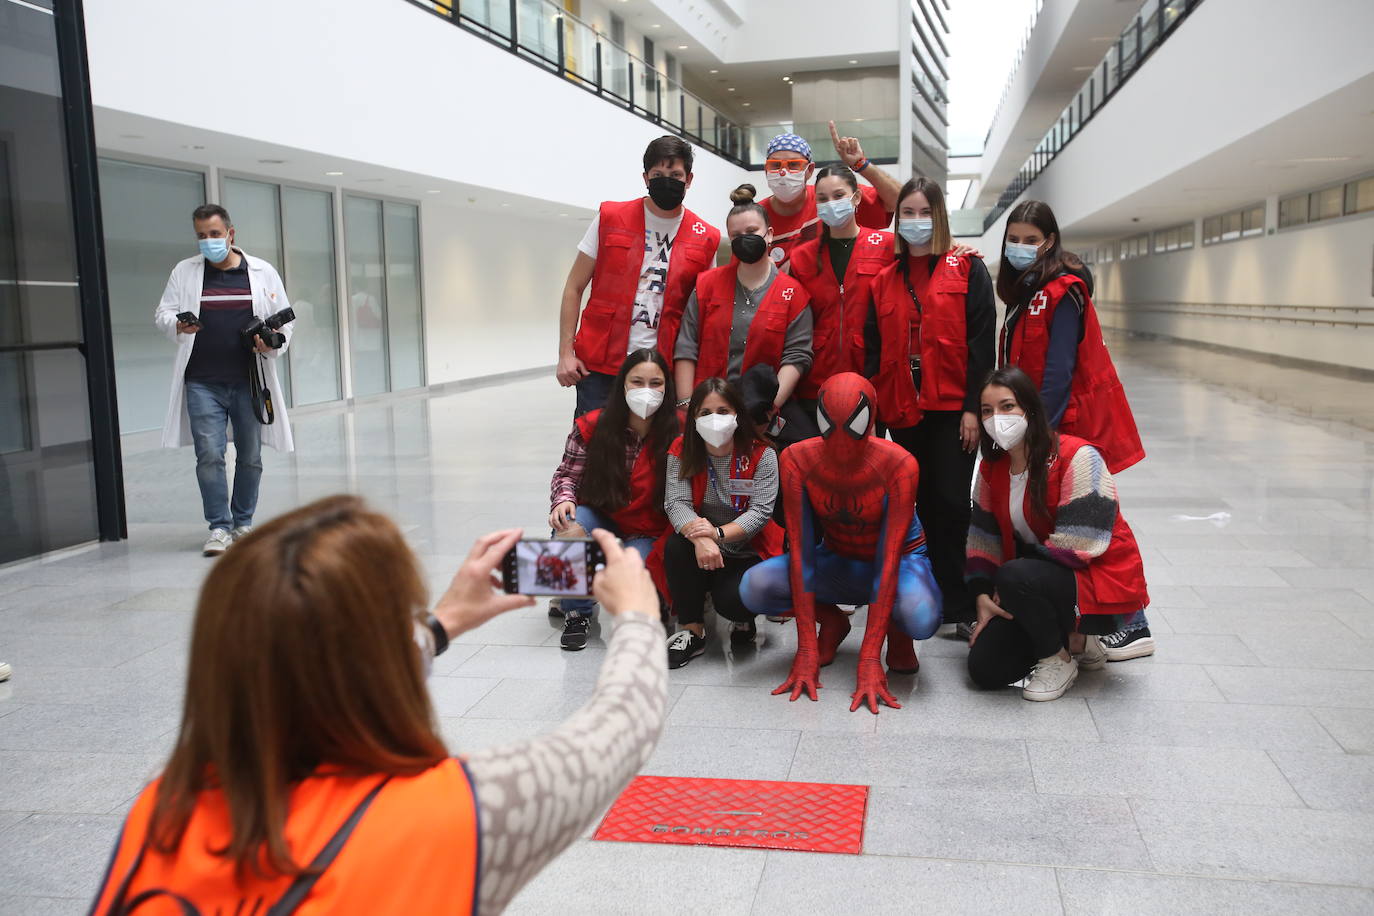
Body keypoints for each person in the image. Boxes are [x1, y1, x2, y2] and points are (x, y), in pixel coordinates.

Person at [89, 496, 666, 915]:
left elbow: (298, 680)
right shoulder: (461, 814)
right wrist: (637, 617)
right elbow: (620, 725)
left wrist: (439, 625)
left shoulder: (164, 806)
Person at [996, 200, 1152, 658]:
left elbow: (1059, 371)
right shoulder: (1026, 292)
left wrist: (1041, 433)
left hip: (1064, 425)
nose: (1021, 248)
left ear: (1049, 242)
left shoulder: (1063, 291)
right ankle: (1080, 620)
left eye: (1031, 240)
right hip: (1040, 420)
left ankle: (1132, 622)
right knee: (1062, 523)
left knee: (1095, 522)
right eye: (1014, 239)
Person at [740, 374, 942, 715]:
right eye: (829, 423)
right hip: (840, 558)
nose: (841, 439)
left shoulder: (899, 465)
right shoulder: (797, 460)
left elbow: (890, 558)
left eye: (853, 423)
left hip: (901, 561)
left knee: (919, 616)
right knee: (755, 587)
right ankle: (833, 622)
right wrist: (805, 648)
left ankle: (898, 632)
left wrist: (868, 658)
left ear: (871, 416)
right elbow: (801, 552)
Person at [965, 368, 1150, 701]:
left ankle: (1059, 658)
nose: (997, 419)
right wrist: (982, 594)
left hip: (1100, 580)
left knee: (1015, 574)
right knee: (985, 669)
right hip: (1036, 582)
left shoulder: (1078, 456)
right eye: (987, 410)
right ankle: (1076, 641)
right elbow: (982, 539)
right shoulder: (992, 471)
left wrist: (1008, 585)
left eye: (1007, 406)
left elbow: (1080, 545)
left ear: (1031, 409)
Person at [866, 176, 995, 638]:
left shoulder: (968, 269)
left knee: (951, 502)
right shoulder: (884, 279)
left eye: (925, 212)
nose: (916, 221)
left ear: (939, 217)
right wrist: (875, 418)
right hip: (903, 408)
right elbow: (873, 351)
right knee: (912, 502)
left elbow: (982, 346)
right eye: (908, 213)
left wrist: (971, 410)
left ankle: (958, 602)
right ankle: (918, 592)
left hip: (951, 408)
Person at [154, 204, 293, 557]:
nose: (208, 242)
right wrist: (177, 325)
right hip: (201, 380)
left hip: (248, 379)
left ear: (231, 234)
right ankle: (219, 526)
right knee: (209, 456)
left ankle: (243, 523)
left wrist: (271, 341)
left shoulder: (261, 272)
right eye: (201, 236)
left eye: (215, 234)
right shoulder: (184, 272)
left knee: (250, 455)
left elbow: (285, 323)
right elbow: (163, 313)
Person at [557, 136, 721, 417]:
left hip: (663, 368)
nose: (666, 180)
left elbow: (704, 316)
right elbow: (574, 286)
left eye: (675, 175)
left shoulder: (706, 237)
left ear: (689, 179)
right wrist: (565, 353)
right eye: (657, 175)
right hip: (600, 364)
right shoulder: (611, 217)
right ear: (645, 178)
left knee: (656, 455)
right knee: (595, 450)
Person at [549, 349, 679, 650]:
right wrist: (563, 501)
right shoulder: (591, 425)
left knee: (639, 577)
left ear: (667, 387)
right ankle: (577, 612)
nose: (646, 391)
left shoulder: (681, 428)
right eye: (637, 382)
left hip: (651, 525)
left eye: (655, 383)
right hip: (603, 513)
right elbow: (566, 475)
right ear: (622, 385)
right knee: (567, 530)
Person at [662, 378, 782, 668]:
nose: (714, 420)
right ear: (693, 418)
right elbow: (676, 502)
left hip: (745, 547)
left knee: (733, 603)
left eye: (723, 411)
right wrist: (701, 539)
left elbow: (760, 512)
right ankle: (691, 630)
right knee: (676, 547)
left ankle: (742, 620)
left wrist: (715, 535)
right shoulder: (682, 449)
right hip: (699, 543)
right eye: (705, 413)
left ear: (737, 414)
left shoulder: (762, 454)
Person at [673, 185, 814, 417]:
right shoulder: (706, 285)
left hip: (759, 412)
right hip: (705, 409)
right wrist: (686, 404)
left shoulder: (793, 294)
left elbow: (797, 356)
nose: (744, 239)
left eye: (752, 230)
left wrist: (768, 410)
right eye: (736, 235)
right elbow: (687, 346)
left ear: (769, 234)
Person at [788, 165, 893, 414]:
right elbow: (793, 321)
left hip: (870, 376)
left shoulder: (886, 246)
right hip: (815, 382)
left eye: (838, 196)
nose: (830, 204)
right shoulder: (802, 256)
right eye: (822, 199)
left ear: (856, 198)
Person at [757, 123, 901, 268]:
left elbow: (900, 201)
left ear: (810, 170)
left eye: (794, 165)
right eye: (775, 165)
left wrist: (860, 164)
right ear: (766, 170)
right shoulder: (755, 217)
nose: (783, 173)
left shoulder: (831, 196)